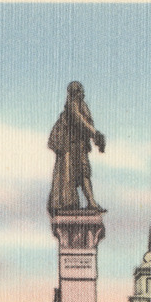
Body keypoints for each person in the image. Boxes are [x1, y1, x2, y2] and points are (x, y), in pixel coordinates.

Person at [48, 81, 105, 213]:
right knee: (77, 174)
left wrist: (95, 137)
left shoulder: (82, 105)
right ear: (75, 93)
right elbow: (80, 121)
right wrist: (95, 133)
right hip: (71, 146)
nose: (83, 93)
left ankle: (91, 202)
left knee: (84, 173)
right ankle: (85, 202)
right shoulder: (72, 105)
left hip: (80, 146)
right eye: (80, 91)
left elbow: (86, 124)